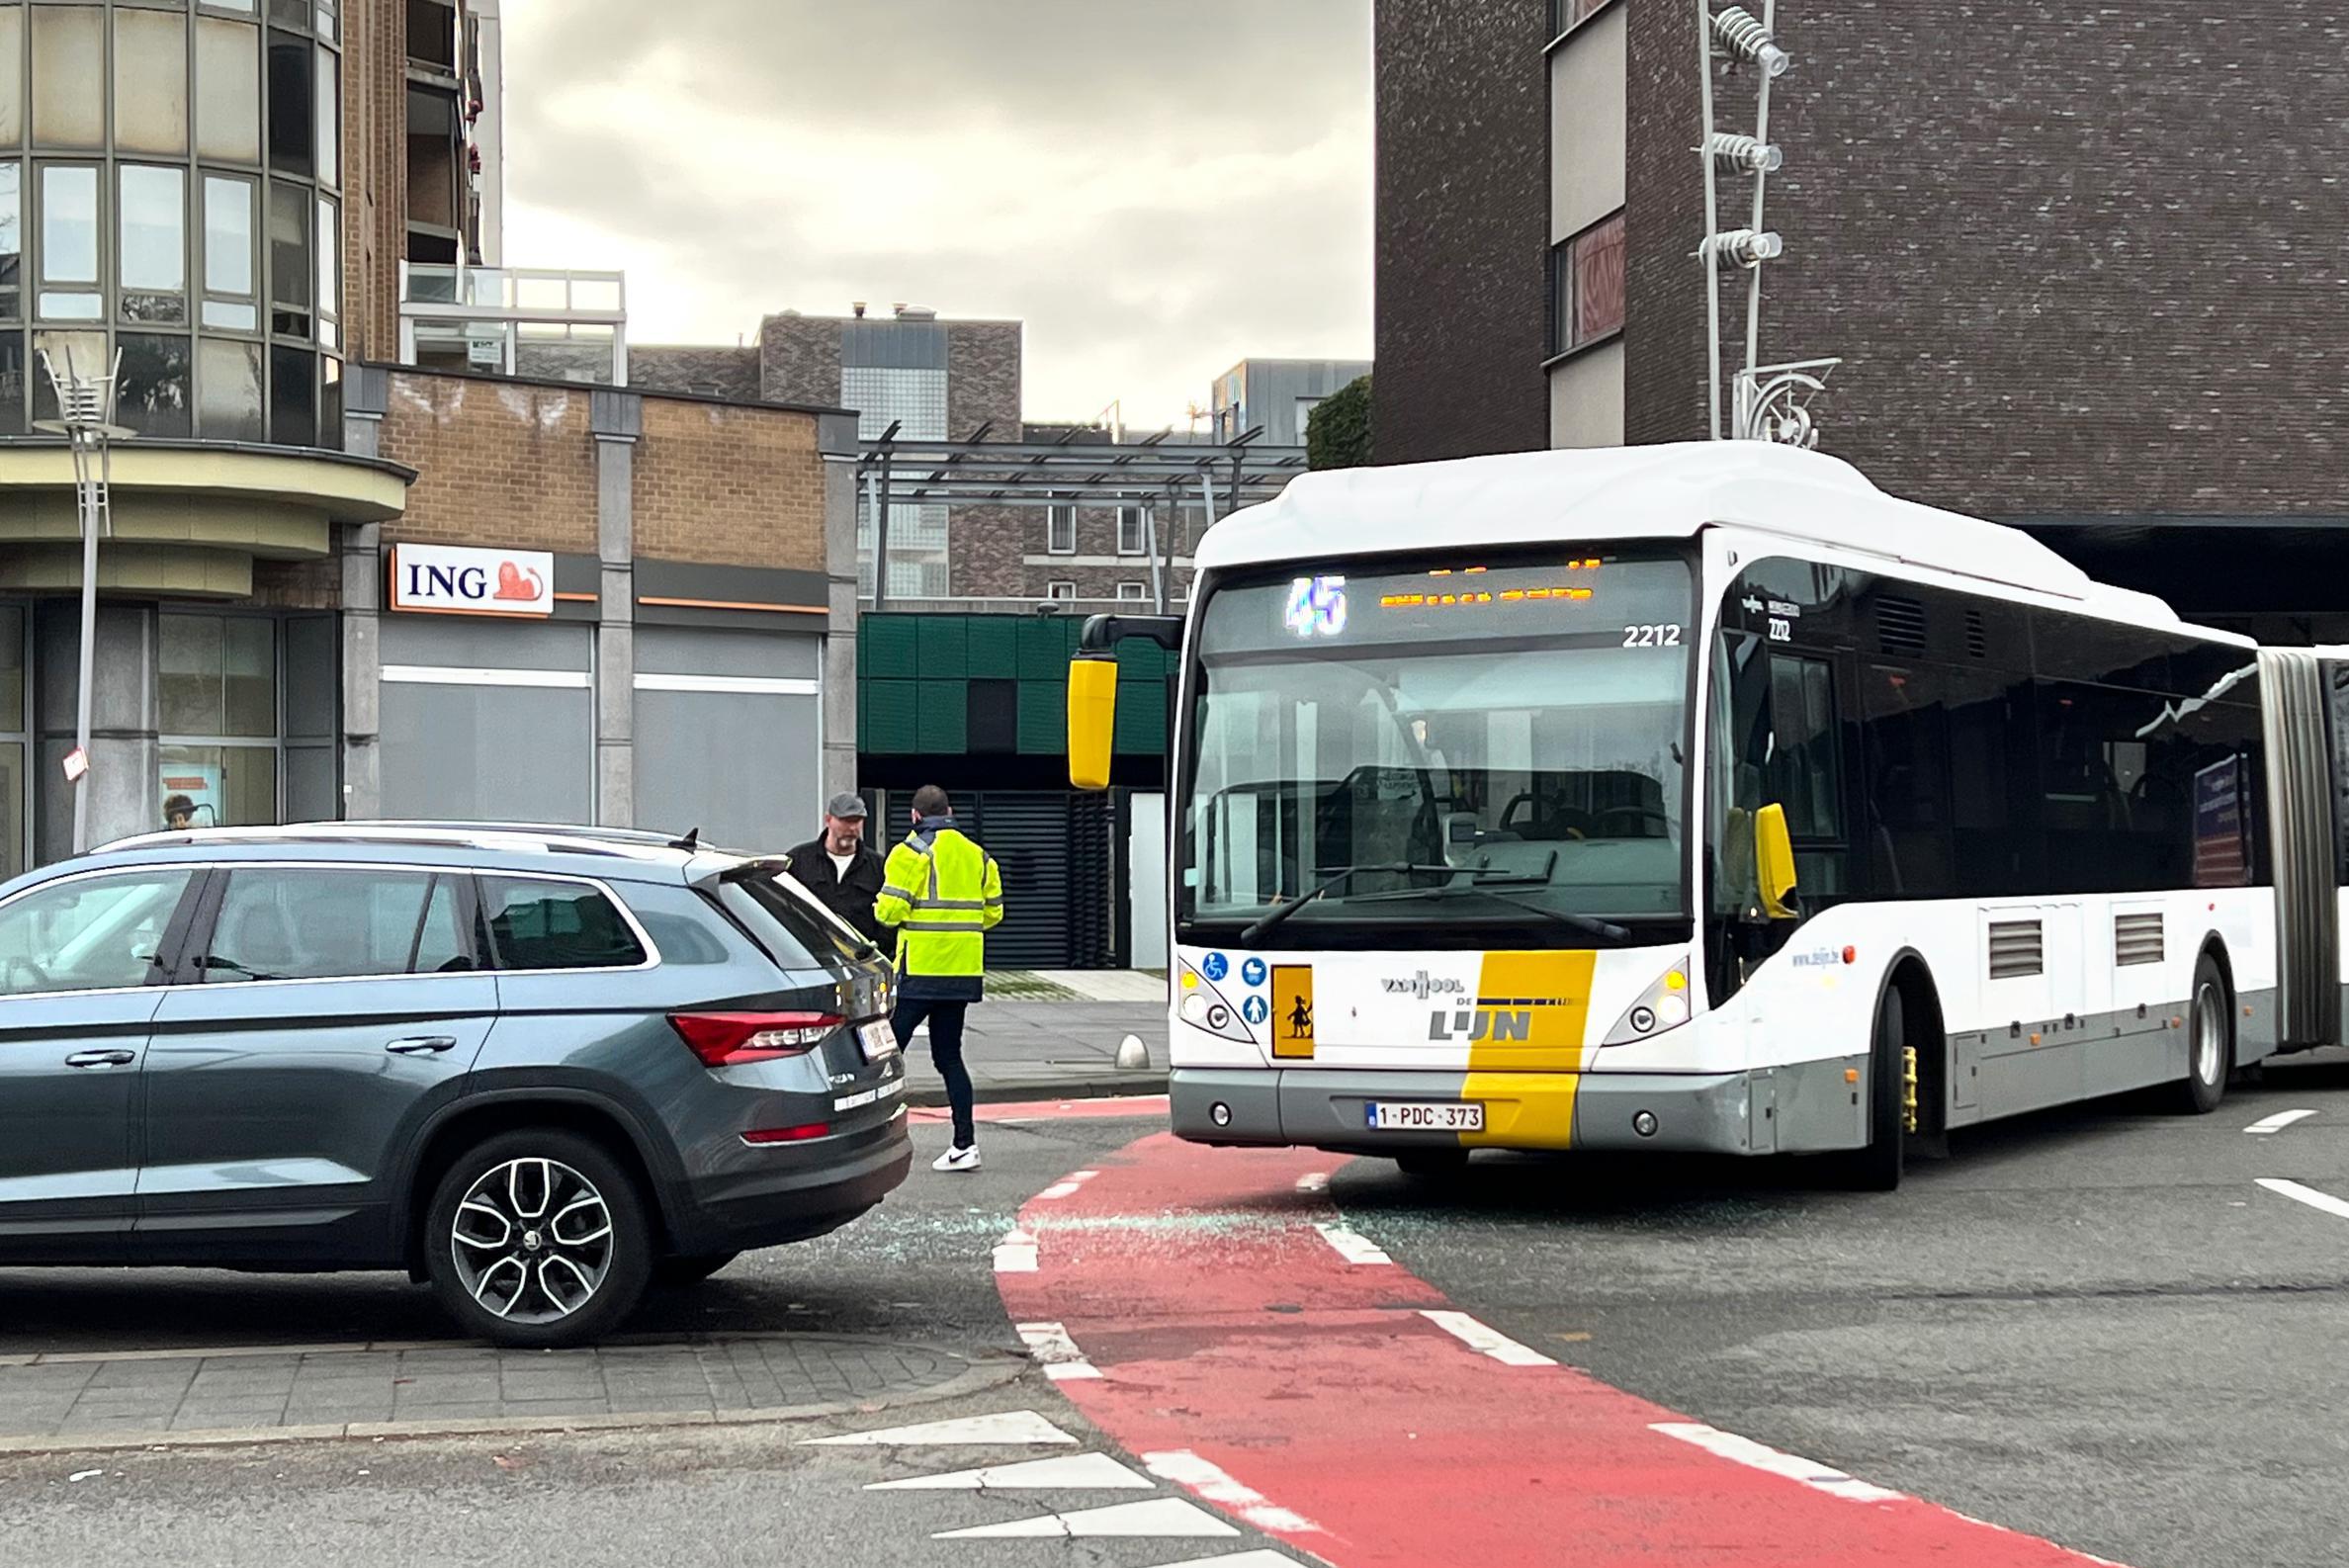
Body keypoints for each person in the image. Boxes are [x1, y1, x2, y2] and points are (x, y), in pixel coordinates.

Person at [874, 785, 1003, 1174]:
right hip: (961, 973)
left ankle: (870, 1139)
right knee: (949, 1056)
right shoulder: (978, 856)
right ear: (949, 811)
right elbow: (993, 914)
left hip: (920, 972)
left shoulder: (909, 853)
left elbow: (888, 913)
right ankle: (964, 1144)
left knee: (885, 1054)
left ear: (915, 816)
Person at [781, 794, 891, 955]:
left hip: (861, 962)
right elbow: (781, 908)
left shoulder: (878, 867)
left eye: (857, 821)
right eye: (846, 821)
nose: (853, 828)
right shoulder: (799, 861)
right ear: (828, 819)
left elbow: (888, 919)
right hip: (809, 957)